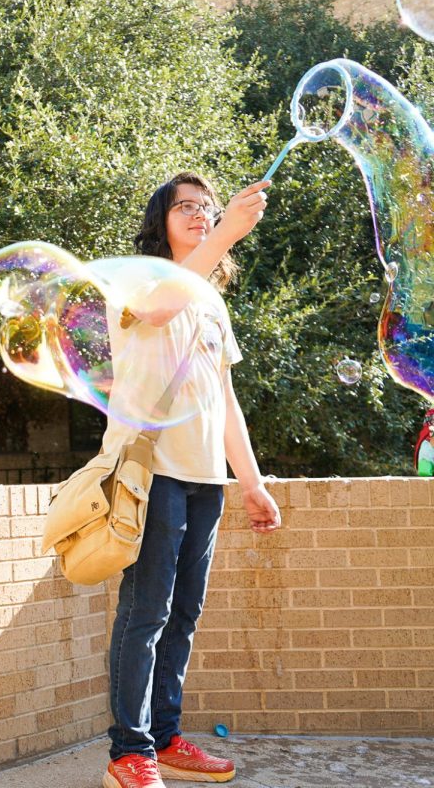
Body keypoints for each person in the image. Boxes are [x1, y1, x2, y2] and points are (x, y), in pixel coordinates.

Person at [102, 172, 281, 788]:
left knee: (183, 614)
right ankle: (129, 751)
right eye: (188, 207)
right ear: (161, 219)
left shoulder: (211, 301)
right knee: (145, 613)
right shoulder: (140, 279)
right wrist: (229, 230)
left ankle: (167, 736)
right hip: (154, 471)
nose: (202, 214)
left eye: (208, 208)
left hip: (205, 477)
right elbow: (156, 309)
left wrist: (251, 483)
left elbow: (225, 399)